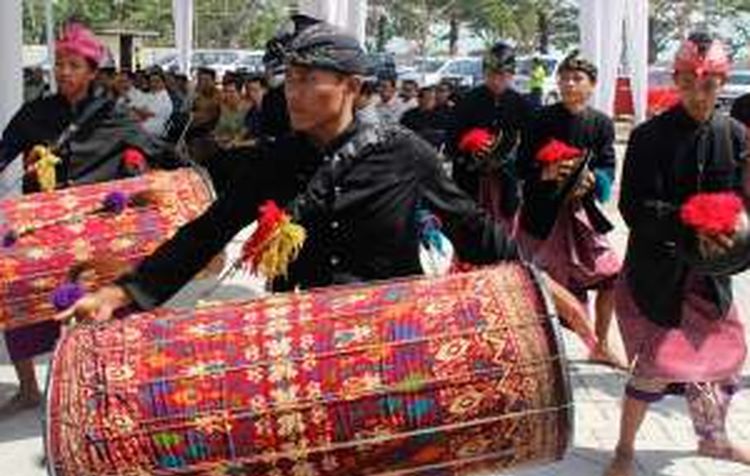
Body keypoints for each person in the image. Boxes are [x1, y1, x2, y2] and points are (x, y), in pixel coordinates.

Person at [61, 21, 591, 384]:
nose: (291, 92)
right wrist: (126, 290)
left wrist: (539, 285)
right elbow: (210, 229)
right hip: (303, 340)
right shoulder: (277, 160)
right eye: (288, 79)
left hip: (392, 338)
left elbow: (472, 227)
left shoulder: (404, 153)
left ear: (351, 88)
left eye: (308, 80)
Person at [0, 23, 175, 415]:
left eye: (73, 64)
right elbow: (3, 151)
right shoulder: (34, 114)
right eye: (59, 64)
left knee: (103, 307)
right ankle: (29, 389)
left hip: (97, 230)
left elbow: (156, 151)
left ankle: (105, 388)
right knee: (15, 296)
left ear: (92, 70)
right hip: (42, 226)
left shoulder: (115, 115)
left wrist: (189, 176)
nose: (63, 71)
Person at [604, 33, 750, 476]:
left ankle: (714, 439)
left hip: (710, 274)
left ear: (721, 84)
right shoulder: (649, 136)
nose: (699, 93)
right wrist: (689, 224)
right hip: (659, 272)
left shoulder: (737, 136)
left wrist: (734, 227)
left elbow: (745, 198)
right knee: (654, 366)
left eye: (709, 84)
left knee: (726, 361)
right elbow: (633, 207)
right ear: (677, 80)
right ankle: (624, 449)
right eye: (690, 82)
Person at [517, 51, 624, 369]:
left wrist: (594, 180)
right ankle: (538, 352)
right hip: (543, 217)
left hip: (583, 215)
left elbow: (607, 165)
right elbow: (521, 165)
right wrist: (545, 174)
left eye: (577, 78)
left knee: (610, 276)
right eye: (564, 78)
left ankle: (601, 346)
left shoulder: (601, 123)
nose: (568, 83)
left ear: (592, 85)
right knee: (538, 285)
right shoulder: (540, 118)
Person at [449, 41, 533, 228]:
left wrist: (513, 159)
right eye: (492, 75)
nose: (496, 80)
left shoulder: (521, 105)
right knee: (470, 233)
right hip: (471, 180)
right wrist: (468, 149)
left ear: (511, 75)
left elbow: (532, 144)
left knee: (506, 234)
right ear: (484, 74)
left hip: (507, 182)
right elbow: (452, 140)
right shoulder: (468, 101)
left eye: (502, 75)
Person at [214, 76, 250, 149]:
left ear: (240, 93)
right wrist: (218, 137)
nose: (228, 95)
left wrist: (231, 140)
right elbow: (218, 129)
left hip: (240, 146)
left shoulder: (248, 108)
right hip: (223, 144)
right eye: (226, 91)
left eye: (232, 92)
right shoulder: (223, 107)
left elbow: (245, 131)